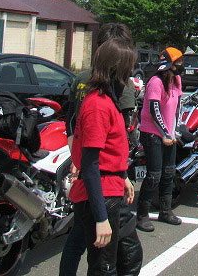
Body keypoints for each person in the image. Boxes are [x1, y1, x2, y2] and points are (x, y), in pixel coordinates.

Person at [60, 23, 136, 276]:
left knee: (121, 257)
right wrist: (102, 217)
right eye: (127, 69)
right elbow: (91, 160)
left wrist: (122, 175)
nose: (130, 75)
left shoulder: (107, 96)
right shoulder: (98, 102)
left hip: (107, 183)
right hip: (99, 188)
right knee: (103, 264)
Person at [135, 47, 184, 232]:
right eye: (178, 62)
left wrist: (174, 131)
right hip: (152, 134)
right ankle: (142, 215)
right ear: (169, 65)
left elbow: (177, 107)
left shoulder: (177, 80)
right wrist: (164, 133)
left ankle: (165, 210)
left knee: (169, 173)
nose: (181, 66)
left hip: (168, 134)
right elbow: (154, 110)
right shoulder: (155, 82)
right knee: (154, 175)